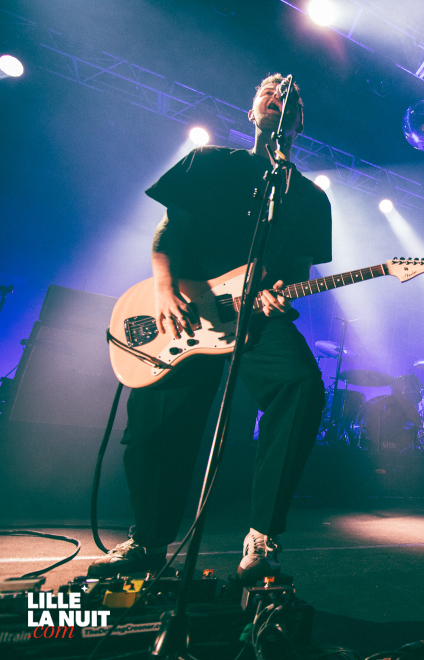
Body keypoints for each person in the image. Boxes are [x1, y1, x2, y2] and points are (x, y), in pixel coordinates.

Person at [90, 74, 332, 582]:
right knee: (156, 428)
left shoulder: (310, 199)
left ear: (300, 122)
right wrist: (163, 290)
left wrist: (277, 296)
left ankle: (262, 537)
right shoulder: (210, 163)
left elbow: (299, 273)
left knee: (302, 385)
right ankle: (148, 540)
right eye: (267, 90)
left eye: (291, 94)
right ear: (251, 112)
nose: (279, 94)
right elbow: (167, 234)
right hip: (181, 312)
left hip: (254, 319)